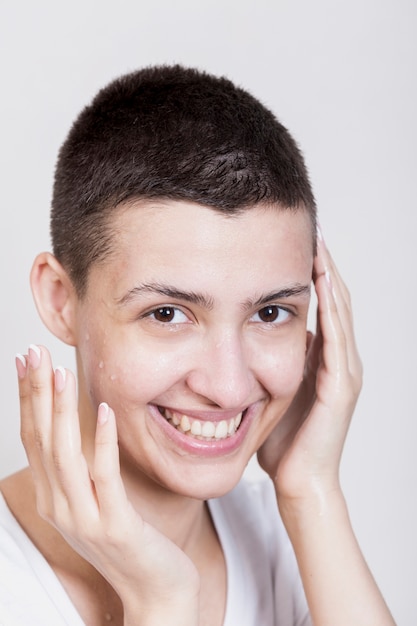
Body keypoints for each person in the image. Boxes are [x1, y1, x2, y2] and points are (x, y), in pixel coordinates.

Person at [0, 64, 395, 626]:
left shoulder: (291, 538)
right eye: (167, 313)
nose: (229, 386)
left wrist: (312, 493)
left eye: (270, 312)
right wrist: (160, 603)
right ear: (61, 299)